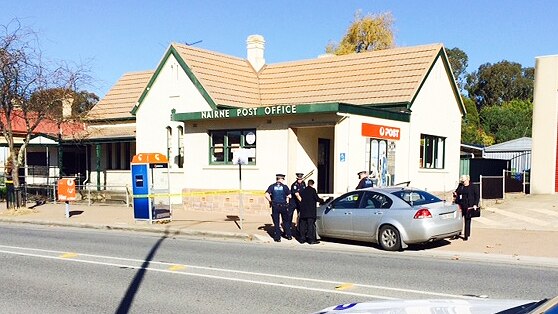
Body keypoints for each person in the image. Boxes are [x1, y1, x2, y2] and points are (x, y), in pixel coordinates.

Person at [265, 173, 292, 242]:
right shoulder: (285, 187)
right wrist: (286, 199)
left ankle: (277, 237)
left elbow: (266, 194)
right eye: (283, 179)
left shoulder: (272, 186)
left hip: (275, 206)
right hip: (283, 205)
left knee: (276, 222)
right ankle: (288, 235)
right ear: (281, 179)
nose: (283, 180)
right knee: (285, 221)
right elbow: (290, 196)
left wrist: (271, 201)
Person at [454, 174, 479, 241]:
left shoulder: (473, 186)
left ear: (468, 179)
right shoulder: (460, 186)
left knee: (467, 220)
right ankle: (457, 233)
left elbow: (477, 196)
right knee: (459, 220)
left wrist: (475, 204)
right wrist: (455, 193)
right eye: (462, 181)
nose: (463, 182)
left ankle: (466, 235)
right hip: (461, 205)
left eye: (464, 181)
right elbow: (457, 192)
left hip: (469, 206)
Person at [298, 179, 322, 244]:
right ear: (312, 184)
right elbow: (316, 198)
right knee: (310, 225)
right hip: (310, 211)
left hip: (303, 211)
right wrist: (322, 200)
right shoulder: (313, 190)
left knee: (302, 225)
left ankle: (302, 239)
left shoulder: (303, 190)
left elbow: (300, 196)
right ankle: (310, 239)